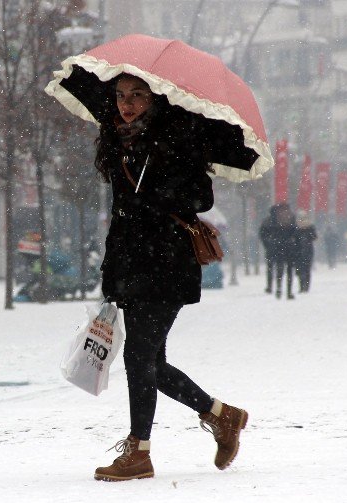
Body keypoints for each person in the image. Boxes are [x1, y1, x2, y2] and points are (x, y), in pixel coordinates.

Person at [93, 75, 248, 481]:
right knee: (150, 361)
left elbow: (202, 198)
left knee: (138, 356)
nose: (126, 104)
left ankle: (139, 451)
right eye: (121, 96)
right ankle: (221, 416)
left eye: (137, 95)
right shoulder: (117, 142)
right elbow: (119, 217)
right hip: (130, 263)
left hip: (167, 262)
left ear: (155, 98)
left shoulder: (178, 136)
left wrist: (160, 186)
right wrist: (111, 272)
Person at [294, 210, 317, 293]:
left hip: (307, 251)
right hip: (299, 251)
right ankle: (302, 287)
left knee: (306, 270)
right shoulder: (296, 228)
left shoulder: (310, 227)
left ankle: (305, 287)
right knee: (300, 270)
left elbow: (314, 237)